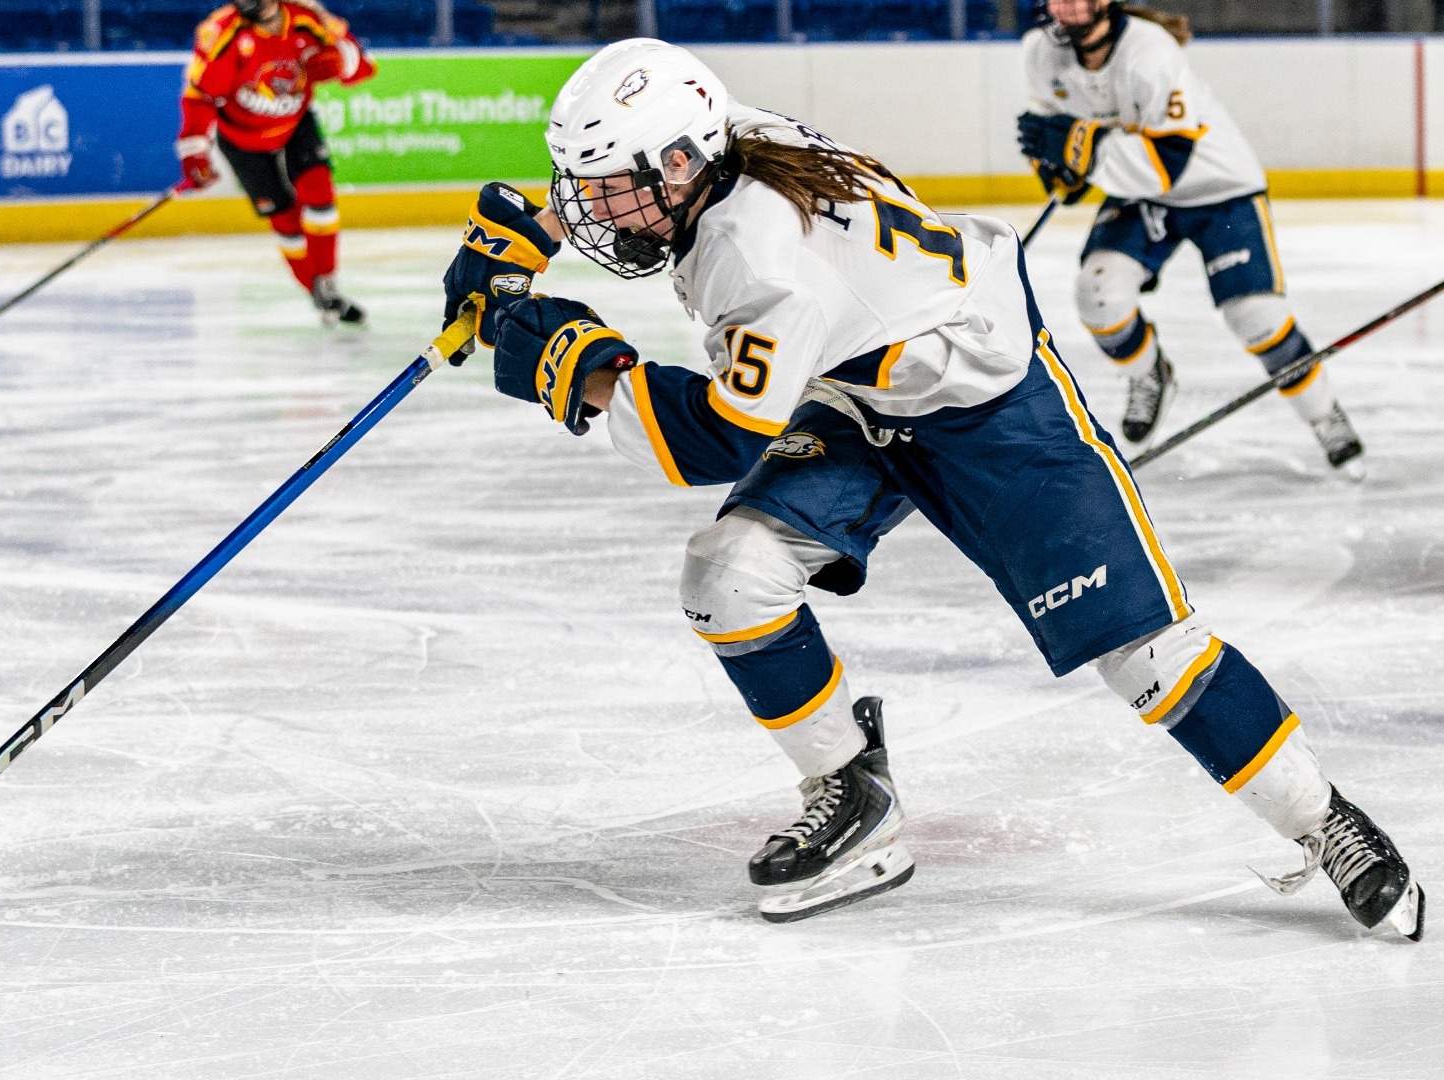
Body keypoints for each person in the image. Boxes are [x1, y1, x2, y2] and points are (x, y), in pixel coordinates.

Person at [441, 38, 1424, 936]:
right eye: (586, 189)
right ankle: (851, 791)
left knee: (1148, 655)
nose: (594, 209)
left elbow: (720, 434)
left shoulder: (756, 252)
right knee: (726, 578)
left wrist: (574, 369)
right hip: (864, 386)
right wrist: (533, 237)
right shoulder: (729, 141)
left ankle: (1324, 821)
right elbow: (692, 271)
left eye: (606, 191)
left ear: (683, 165)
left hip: (991, 407)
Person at [1015, 1, 1364, 477]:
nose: (1070, 5)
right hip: (1139, 192)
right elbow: (1050, 135)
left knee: (1256, 316)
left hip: (1219, 189)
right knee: (1097, 296)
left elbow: (1168, 162)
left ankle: (1324, 414)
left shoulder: (1149, 51)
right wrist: (1059, 167)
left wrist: (1085, 151)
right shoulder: (1039, 52)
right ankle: (1149, 376)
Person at [177, 0, 374, 325]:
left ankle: (327, 282)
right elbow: (199, 96)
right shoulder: (222, 33)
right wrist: (194, 150)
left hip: (295, 124)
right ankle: (318, 293)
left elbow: (364, 66)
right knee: (285, 221)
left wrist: (343, 60)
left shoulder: (309, 19)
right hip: (242, 140)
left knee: (321, 196)